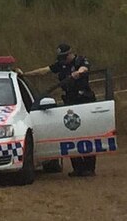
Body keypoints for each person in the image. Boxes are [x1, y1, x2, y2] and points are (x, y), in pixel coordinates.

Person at [20, 43, 97, 177]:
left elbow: (84, 68)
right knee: (71, 133)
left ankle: (89, 168)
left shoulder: (80, 61)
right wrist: (26, 74)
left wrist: (78, 73)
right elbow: (44, 71)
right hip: (69, 101)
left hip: (84, 101)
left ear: (70, 54)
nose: (62, 59)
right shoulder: (60, 64)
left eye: (64, 56)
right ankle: (77, 168)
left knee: (86, 134)